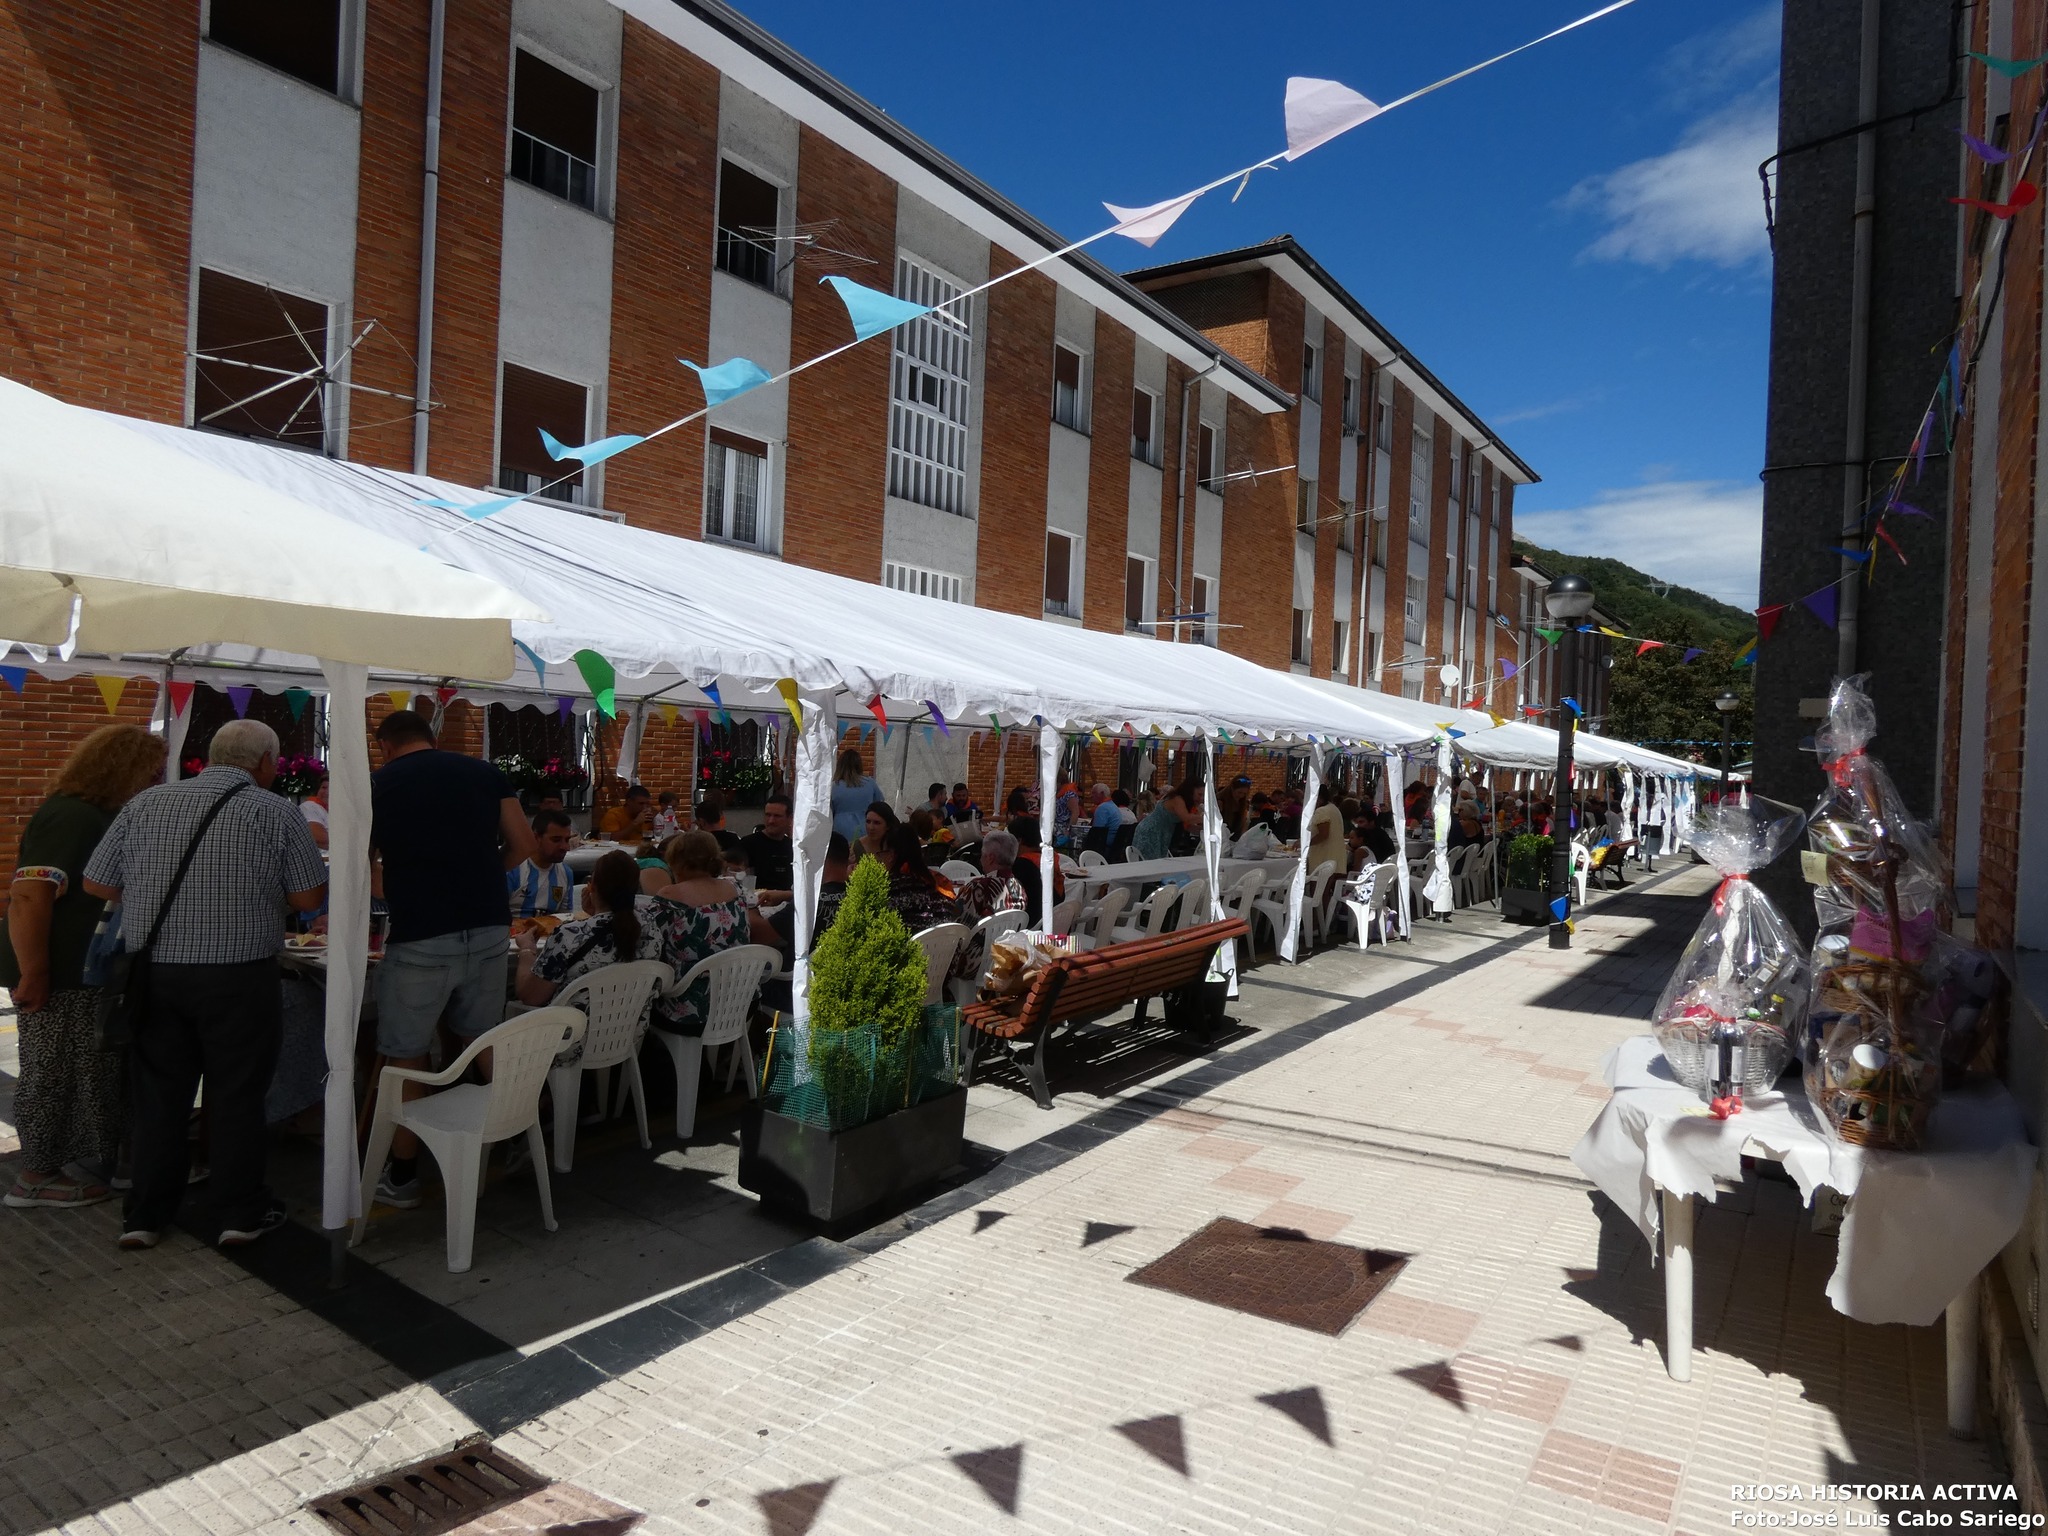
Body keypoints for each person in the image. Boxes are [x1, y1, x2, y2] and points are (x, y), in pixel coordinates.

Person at [81, 719, 327, 1249]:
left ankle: (145, 1216)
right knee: (237, 1093)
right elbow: (309, 900)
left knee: (159, 1096)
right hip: (239, 975)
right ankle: (240, 1213)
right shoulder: (275, 810)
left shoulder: (145, 805)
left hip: (155, 973)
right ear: (265, 762)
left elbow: (96, 882)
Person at [365, 709, 535, 1212]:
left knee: (407, 1054)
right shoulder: (482, 772)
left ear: (385, 746)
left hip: (421, 933)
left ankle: (402, 1177)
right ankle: (519, 1136)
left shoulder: (381, 783)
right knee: (482, 1037)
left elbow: (362, 860)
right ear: (432, 738)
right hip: (487, 924)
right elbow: (523, 843)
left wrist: (400, 891)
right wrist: (483, 875)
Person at [1, 725, 166, 1210]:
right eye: (152, 771)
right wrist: (35, 972)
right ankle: (34, 1176)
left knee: (90, 1069)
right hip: (62, 970)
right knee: (53, 1071)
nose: (157, 780)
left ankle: (92, 1158)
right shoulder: (72, 817)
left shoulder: (95, 814)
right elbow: (30, 895)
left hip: (84, 971)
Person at [513, 851, 672, 1064]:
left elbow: (530, 997)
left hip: (570, 1041)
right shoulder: (651, 927)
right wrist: (594, 915)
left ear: (592, 886)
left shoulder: (571, 935)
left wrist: (526, 952)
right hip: (627, 1034)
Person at [653, 831, 778, 1035]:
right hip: (741, 1002)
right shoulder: (735, 888)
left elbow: (652, 945)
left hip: (692, 1010)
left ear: (676, 861)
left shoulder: (669, 897)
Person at [878, 825, 961, 931]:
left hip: (912, 945)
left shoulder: (890, 887)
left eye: (882, 854)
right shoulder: (939, 880)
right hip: (948, 943)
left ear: (891, 855)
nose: (880, 860)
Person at [507, 808, 576, 919]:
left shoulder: (566, 873)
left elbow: (565, 918)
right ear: (535, 837)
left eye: (567, 840)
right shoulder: (512, 869)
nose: (565, 847)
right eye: (556, 840)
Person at [955, 828, 1029, 922]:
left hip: (982, 936)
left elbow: (959, 923)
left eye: (982, 854)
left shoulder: (977, 887)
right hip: (1011, 935)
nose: (981, 859)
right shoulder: (1019, 887)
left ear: (990, 858)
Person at [1008, 817, 1065, 928]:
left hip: (1031, 927)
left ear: (1019, 840)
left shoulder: (1022, 865)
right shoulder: (1049, 858)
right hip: (1054, 922)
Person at [738, 791, 795, 897]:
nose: (771, 821)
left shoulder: (794, 847)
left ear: (790, 818)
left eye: (777, 816)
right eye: (768, 815)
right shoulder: (747, 844)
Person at [830, 748, 884, 843]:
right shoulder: (870, 783)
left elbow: (828, 813)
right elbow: (880, 807)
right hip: (865, 829)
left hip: (840, 831)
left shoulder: (833, 787)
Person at [1132, 785, 1192, 861]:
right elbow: (1186, 818)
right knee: (1151, 860)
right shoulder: (1174, 801)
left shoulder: (1167, 802)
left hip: (1159, 832)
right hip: (1153, 831)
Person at [1305, 783, 1346, 876]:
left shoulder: (1322, 811)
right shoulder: (1333, 808)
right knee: (1324, 888)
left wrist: (1305, 843)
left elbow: (1323, 834)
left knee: (1317, 888)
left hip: (1323, 856)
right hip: (1334, 854)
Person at [299, 772, 330, 850]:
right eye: (324, 787)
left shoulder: (335, 812)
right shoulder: (310, 806)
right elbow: (318, 837)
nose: (327, 792)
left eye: (332, 788)